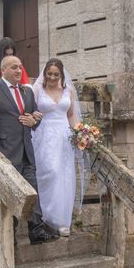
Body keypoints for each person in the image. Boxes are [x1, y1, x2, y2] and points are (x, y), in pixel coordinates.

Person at [0, 55, 58, 245]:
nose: (18, 71)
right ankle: (10, 237)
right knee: (10, 194)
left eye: (20, 67)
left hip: (27, 151)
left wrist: (34, 121)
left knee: (33, 190)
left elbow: (35, 117)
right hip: (5, 153)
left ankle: (36, 231)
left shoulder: (27, 92)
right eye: (14, 67)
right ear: (4, 69)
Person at [32, 58, 82, 237]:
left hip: (64, 137)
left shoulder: (68, 91)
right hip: (44, 135)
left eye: (56, 74)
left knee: (65, 176)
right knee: (49, 173)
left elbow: (70, 115)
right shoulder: (37, 89)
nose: (52, 77)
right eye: (49, 74)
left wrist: (81, 132)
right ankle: (46, 217)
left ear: (61, 75)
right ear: (45, 73)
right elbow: (30, 111)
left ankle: (61, 221)